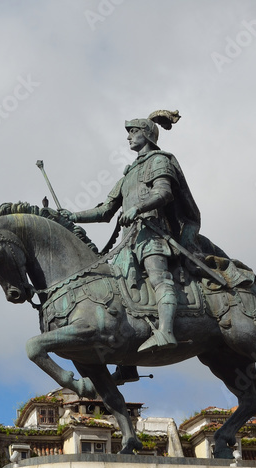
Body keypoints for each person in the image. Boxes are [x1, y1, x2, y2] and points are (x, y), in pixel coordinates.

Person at [67, 109, 193, 353]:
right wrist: (70, 216)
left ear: (146, 134)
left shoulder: (160, 160)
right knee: (118, 293)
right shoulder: (128, 173)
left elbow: (164, 193)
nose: (128, 138)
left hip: (154, 233)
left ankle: (166, 331)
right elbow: (104, 212)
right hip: (129, 241)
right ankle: (127, 352)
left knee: (158, 278)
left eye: (133, 132)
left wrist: (138, 207)